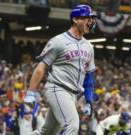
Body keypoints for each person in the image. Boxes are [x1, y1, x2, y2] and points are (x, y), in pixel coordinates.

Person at [23, 4, 97, 135]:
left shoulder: (89, 47)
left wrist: (89, 101)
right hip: (57, 88)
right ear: (75, 19)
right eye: (87, 18)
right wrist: (31, 91)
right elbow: (41, 67)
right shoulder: (59, 41)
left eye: (91, 19)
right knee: (72, 125)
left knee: (47, 132)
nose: (90, 21)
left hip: (72, 95)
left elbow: (89, 77)